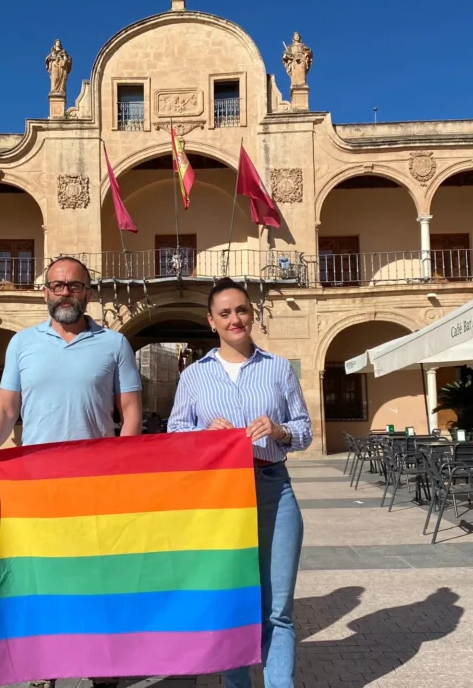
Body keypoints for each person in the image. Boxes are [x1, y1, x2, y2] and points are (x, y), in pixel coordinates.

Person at [0, 255, 143, 688]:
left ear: (89, 292)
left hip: (96, 484)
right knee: (42, 576)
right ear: (45, 292)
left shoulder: (114, 344)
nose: (65, 292)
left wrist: (125, 465)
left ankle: (101, 664)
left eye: (75, 285)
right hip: (37, 485)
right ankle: (44, 664)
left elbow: (131, 411)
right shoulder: (22, 344)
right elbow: (7, 408)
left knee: (97, 575)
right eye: (57, 285)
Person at [167, 277, 312, 688]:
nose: (236, 319)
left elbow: (304, 430)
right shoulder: (194, 376)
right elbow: (176, 434)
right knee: (235, 605)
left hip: (272, 487)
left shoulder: (278, 368)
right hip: (220, 498)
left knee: (277, 608)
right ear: (211, 321)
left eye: (242, 310)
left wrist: (279, 430)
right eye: (226, 313)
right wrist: (204, 434)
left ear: (252, 315)